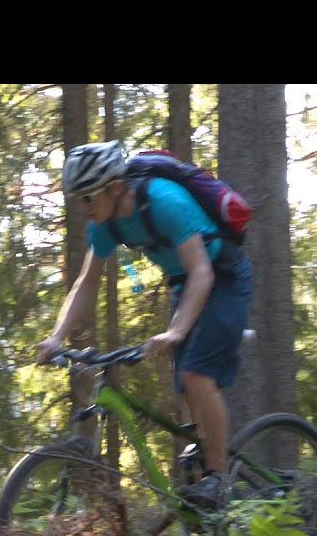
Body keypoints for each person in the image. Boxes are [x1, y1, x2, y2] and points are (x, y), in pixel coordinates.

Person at [36, 140, 255, 510]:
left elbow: (202, 272)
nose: (84, 209)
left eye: (89, 198)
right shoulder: (105, 224)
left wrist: (177, 330)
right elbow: (86, 284)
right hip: (185, 283)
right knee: (183, 386)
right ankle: (204, 462)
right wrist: (56, 336)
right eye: (79, 200)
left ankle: (218, 479)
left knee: (197, 377)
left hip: (224, 276)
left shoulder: (165, 201)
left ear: (116, 187)